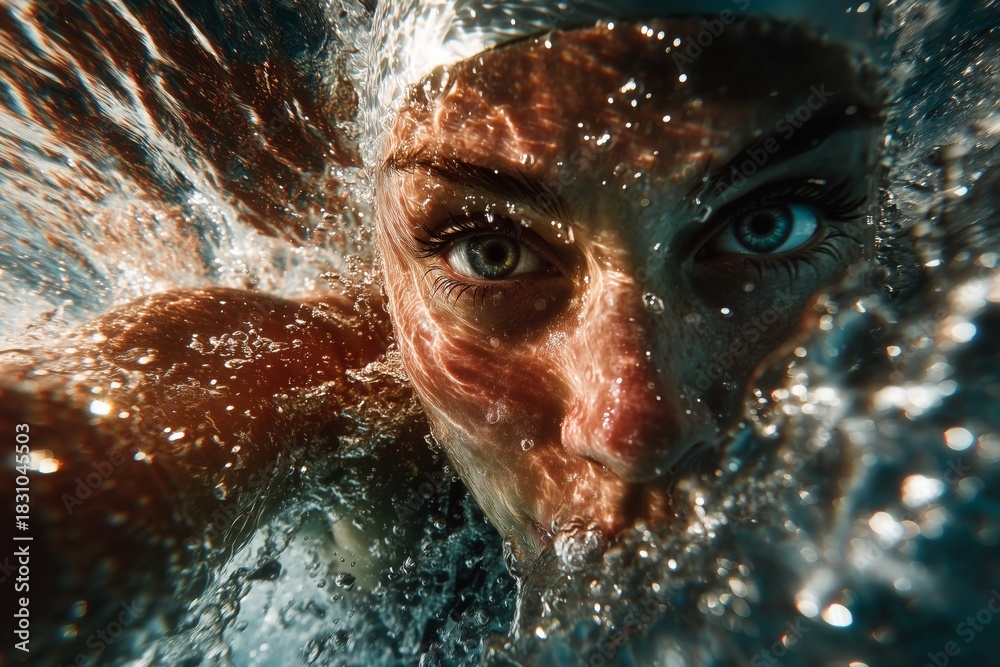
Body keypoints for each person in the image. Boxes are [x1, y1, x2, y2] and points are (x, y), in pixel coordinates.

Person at [0, 1, 883, 662]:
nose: (635, 428)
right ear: (391, 266)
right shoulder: (329, 385)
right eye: (492, 253)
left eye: (768, 227)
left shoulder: (922, 312)